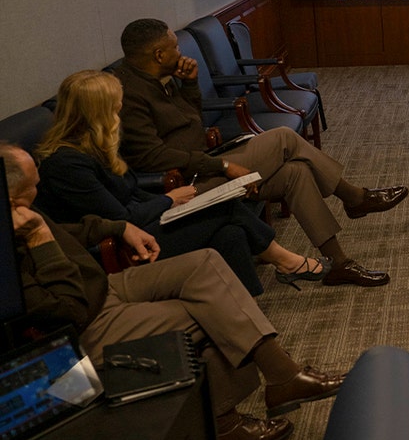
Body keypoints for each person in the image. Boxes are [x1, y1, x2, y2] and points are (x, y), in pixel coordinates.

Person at [5, 143, 346, 440]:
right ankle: (227, 423)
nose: (39, 188)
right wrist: (40, 242)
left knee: (204, 264)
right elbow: (69, 309)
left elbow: (69, 231)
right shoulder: (13, 253)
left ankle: (282, 375)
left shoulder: (23, 212)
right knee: (210, 313)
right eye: (33, 186)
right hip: (85, 324)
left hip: (104, 285)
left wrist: (119, 227)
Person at [112, 18, 406, 287]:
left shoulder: (161, 77)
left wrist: (190, 85)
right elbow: (152, 158)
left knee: (296, 172)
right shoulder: (129, 94)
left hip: (206, 164)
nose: (180, 52)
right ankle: (354, 198)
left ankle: (338, 263)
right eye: (175, 47)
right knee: (283, 138)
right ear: (159, 55)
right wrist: (224, 165)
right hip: (186, 187)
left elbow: (190, 122)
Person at [34, 70, 329, 295]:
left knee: (230, 232)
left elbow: (132, 193)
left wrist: (174, 204)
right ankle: (285, 261)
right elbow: (119, 218)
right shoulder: (66, 164)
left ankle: (249, 306)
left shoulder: (95, 147)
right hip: (123, 247)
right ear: (97, 113)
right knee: (224, 210)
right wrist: (169, 199)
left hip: (144, 225)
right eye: (115, 108)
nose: (120, 114)